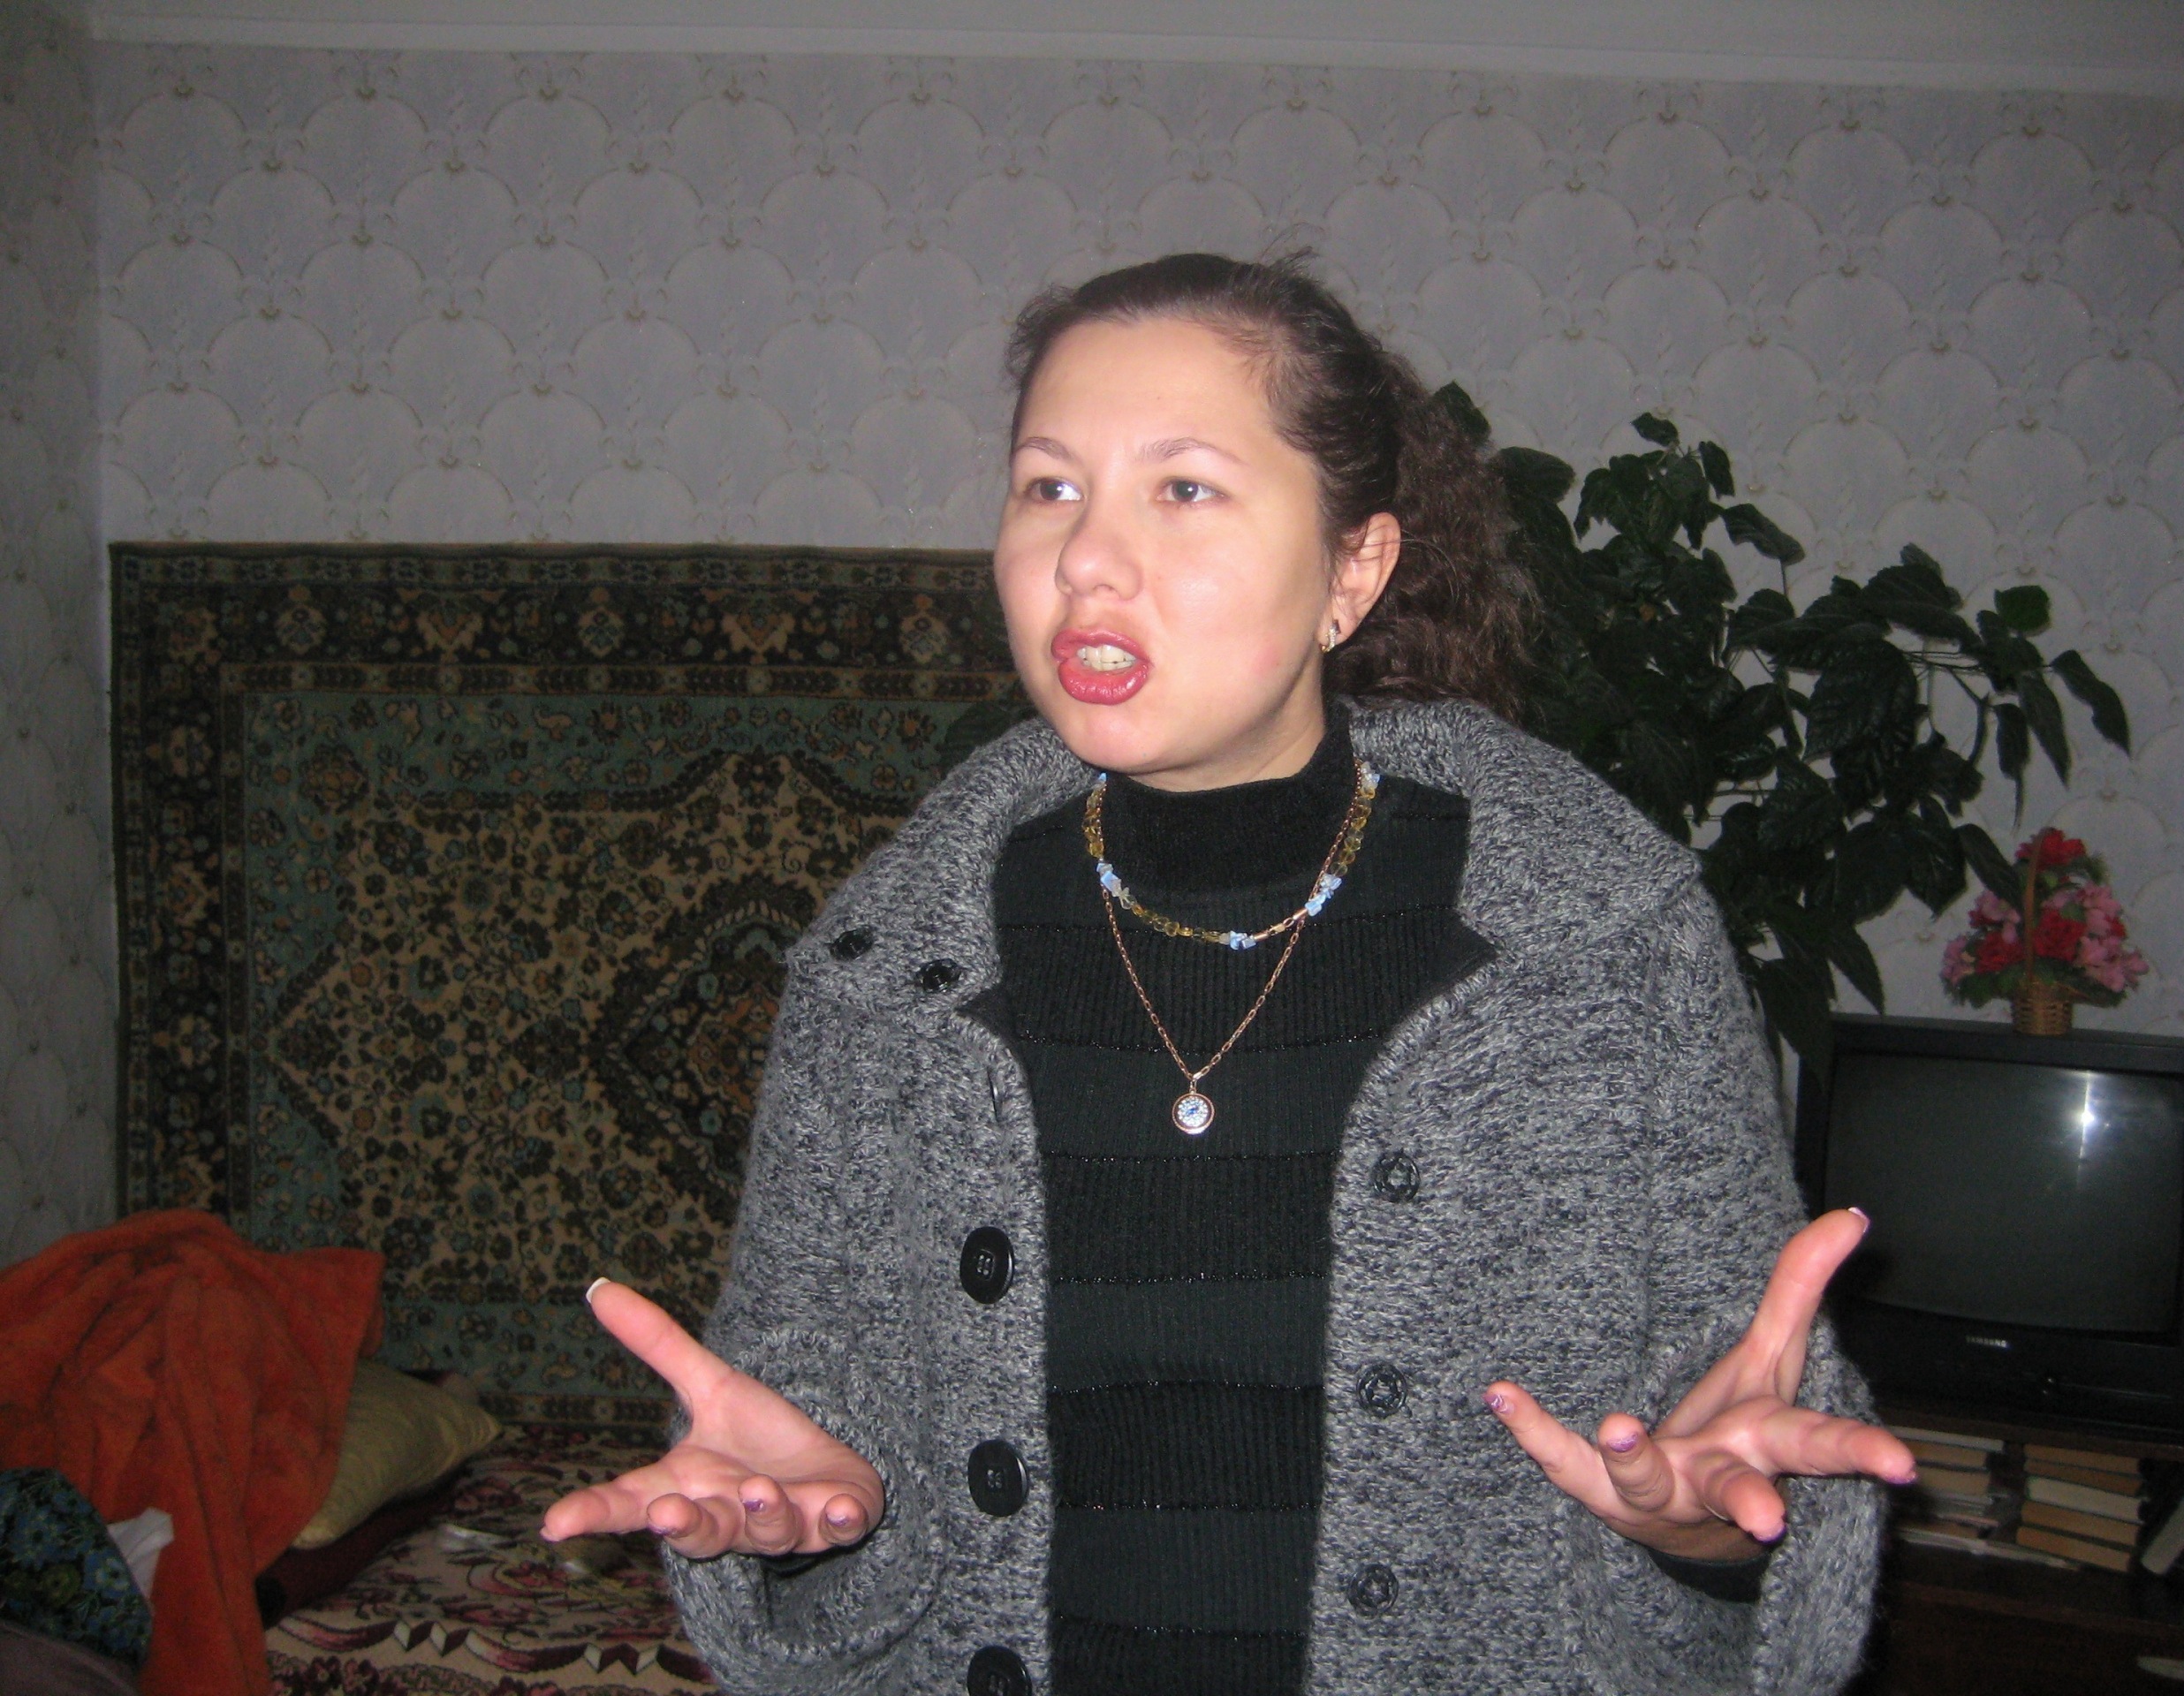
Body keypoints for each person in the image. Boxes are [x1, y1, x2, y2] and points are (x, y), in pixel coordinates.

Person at [542, 252, 1915, 1696]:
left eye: (1183, 488)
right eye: (1048, 488)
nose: (1086, 559)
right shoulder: (887, 976)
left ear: (1352, 570)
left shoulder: (1601, 946)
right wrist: (812, 1527)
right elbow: (808, 1466)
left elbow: (1727, 1475)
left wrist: (1705, 1536)